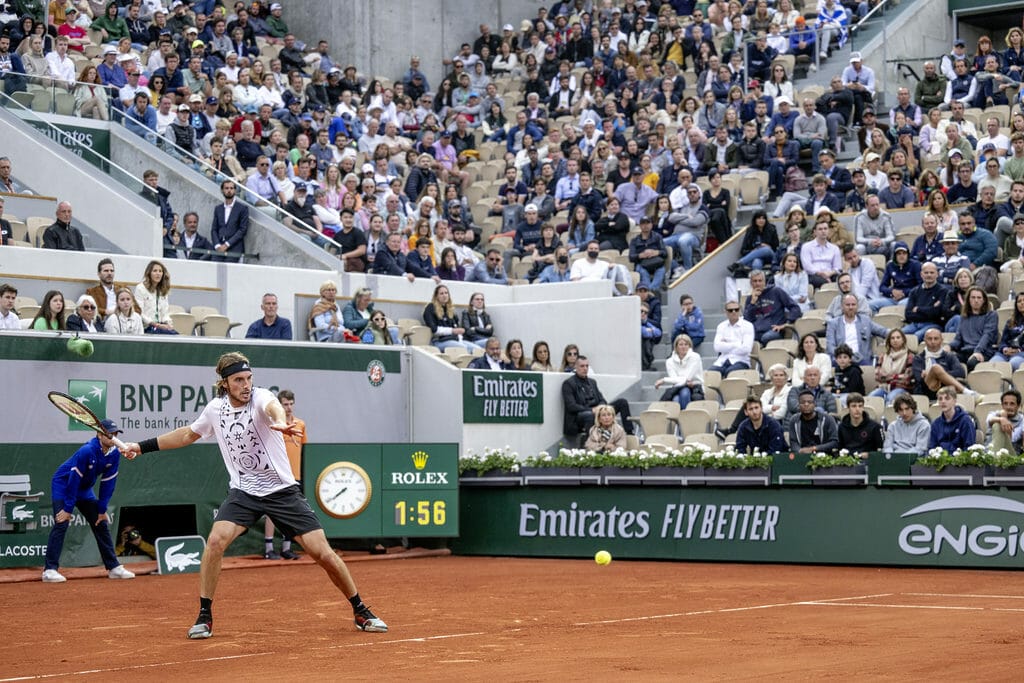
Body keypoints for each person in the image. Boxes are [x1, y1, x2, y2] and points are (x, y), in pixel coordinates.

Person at [123, 353, 387, 636]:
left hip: (282, 491)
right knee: (215, 542)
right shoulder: (215, 409)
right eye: (238, 380)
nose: (246, 385)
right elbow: (187, 435)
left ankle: (360, 610)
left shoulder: (261, 398)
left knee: (322, 554)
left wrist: (278, 420)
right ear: (225, 383)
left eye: (249, 378)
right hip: (244, 491)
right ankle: (204, 615)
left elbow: (271, 406)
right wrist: (140, 446)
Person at [42, 421, 136, 583]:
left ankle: (114, 568)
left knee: (100, 522)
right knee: (61, 522)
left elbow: (108, 483)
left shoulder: (114, 454)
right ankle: (49, 571)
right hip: (64, 485)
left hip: (84, 489)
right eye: (109, 433)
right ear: (99, 434)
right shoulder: (86, 451)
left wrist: (101, 509)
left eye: (115, 434)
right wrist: (68, 509)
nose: (113, 437)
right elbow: (73, 480)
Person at [261, 389, 306, 561]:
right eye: (285, 404)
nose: (289, 407)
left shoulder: (300, 424)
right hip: (276, 474)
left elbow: (302, 449)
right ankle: (269, 549)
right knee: (272, 513)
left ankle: (286, 548)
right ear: (279, 405)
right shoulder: (274, 425)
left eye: (291, 404)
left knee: (292, 512)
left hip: (294, 475)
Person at [561, 355, 633, 441]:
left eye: (587, 366)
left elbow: (602, 399)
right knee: (590, 415)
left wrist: (601, 407)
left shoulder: (592, 382)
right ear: (576, 367)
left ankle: (629, 433)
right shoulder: (568, 383)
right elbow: (571, 406)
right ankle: (591, 445)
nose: (585, 368)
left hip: (597, 411)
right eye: (582, 366)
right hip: (580, 416)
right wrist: (591, 410)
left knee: (622, 402)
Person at [826, 294, 889, 365]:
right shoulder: (833, 323)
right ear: (842, 307)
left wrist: (898, 334)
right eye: (848, 305)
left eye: (853, 305)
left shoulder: (865, 321)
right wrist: (843, 357)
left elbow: (883, 331)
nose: (851, 307)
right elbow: (830, 347)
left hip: (862, 359)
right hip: (841, 360)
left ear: (857, 306)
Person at [949, 285, 999, 371]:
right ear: (968, 300)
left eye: (979, 298)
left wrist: (977, 351)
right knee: (947, 359)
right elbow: (958, 339)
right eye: (973, 297)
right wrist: (949, 347)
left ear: (984, 300)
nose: (976, 300)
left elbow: (987, 336)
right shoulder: (964, 317)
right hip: (965, 351)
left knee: (972, 363)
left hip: (983, 351)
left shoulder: (991, 315)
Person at [912, 327, 971, 400]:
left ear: (941, 340)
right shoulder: (918, 358)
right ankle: (966, 391)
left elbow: (960, 372)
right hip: (927, 390)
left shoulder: (949, 356)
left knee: (937, 370)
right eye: (929, 339)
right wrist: (934, 374)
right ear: (925, 340)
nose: (933, 342)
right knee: (935, 368)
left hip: (947, 388)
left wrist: (937, 374)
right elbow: (919, 379)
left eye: (936, 339)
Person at [743, 270, 800, 345]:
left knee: (766, 337)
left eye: (760, 281)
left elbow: (795, 308)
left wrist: (786, 324)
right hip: (757, 332)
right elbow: (747, 320)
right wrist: (752, 303)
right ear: (751, 283)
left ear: (765, 282)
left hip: (773, 330)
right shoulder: (750, 299)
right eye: (755, 281)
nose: (758, 284)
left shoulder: (776, 291)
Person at [423, 284, 477, 353]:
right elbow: (434, 329)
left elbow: (457, 327)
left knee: (476, 349)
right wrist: (452, 331)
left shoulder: (450, 309)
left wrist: (459, 336)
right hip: (439, 341)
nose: (444, 295)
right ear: (436, 296)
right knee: (463, 348)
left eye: (446, 293)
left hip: (455, 339)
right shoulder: (430, 307)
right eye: (441, 293)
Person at [789, 389, 839, 454]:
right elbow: (793, 442)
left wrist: (814, 449)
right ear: (799, 404)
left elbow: (834, 442)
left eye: (809, 402)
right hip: (802, 456)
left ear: (815, 404)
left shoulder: (827, 419)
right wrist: (800, 451)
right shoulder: (794, 420)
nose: (806, 404)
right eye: (803, 402)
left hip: (824, 457)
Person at [134, 260, 178, 335]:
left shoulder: (163, 290)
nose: (158, 273)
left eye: (160, 271)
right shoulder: (140, 288)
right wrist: (156, 324)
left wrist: (168, 324)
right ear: (149, 273)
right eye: (155, 271)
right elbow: (139, 312)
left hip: (161, 325)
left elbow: (165, 313)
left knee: (177, 337)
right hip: (147, 326)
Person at [712, 301, 754, 377]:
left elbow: (746, 349)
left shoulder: (748, 326)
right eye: (730, 310)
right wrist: (738, 343)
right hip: (723, 360)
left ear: (740, 310)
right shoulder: (721, 326)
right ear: (726, 312)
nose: (734, 312)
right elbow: (717, 347)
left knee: (730, 372)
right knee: (711, 374)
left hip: (741, 360)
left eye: (736, 309)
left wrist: (725, 345)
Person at [929, 385, 977, 452]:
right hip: (941, 460)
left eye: (947, 398)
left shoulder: (965, 421)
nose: (943, 401)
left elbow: (969, 447)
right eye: (940, 399)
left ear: (954, 401)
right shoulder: (936, 424)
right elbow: (932, 448)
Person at [211, 179, 250, 262]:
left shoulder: (242, 208)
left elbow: (242, 230)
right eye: (227, 188)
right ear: (222, 190)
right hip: (219, 248)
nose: (229, 190)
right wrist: (217, 245)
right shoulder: (218, 209)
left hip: (234, 248)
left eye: (231, 188)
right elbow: (214, 229)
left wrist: (227, 244)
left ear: (235, 190)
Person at [987, 389, 1024, 454]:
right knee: (997, 424)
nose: (1008, 407)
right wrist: (1002, 419)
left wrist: (1004, 418)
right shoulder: (994, 414)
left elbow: (1011, 439)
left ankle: (994, 461)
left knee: (998, 426)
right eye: (1005, 403)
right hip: (989, 453)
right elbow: (989, 420)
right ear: (1002, 405)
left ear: (1018, 406)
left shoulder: (1022, 420)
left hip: (1010, 457)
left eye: (1012, 404)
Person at [993, 292, 1024, 370]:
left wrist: (1019, 350)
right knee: (993, 364)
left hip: (1021, 353)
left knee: (1013, 363)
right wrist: (1005, 349)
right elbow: (1003, 341)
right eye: (1019, 301)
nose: (1022, 303)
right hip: (1006, 353)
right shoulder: (1010, 322)